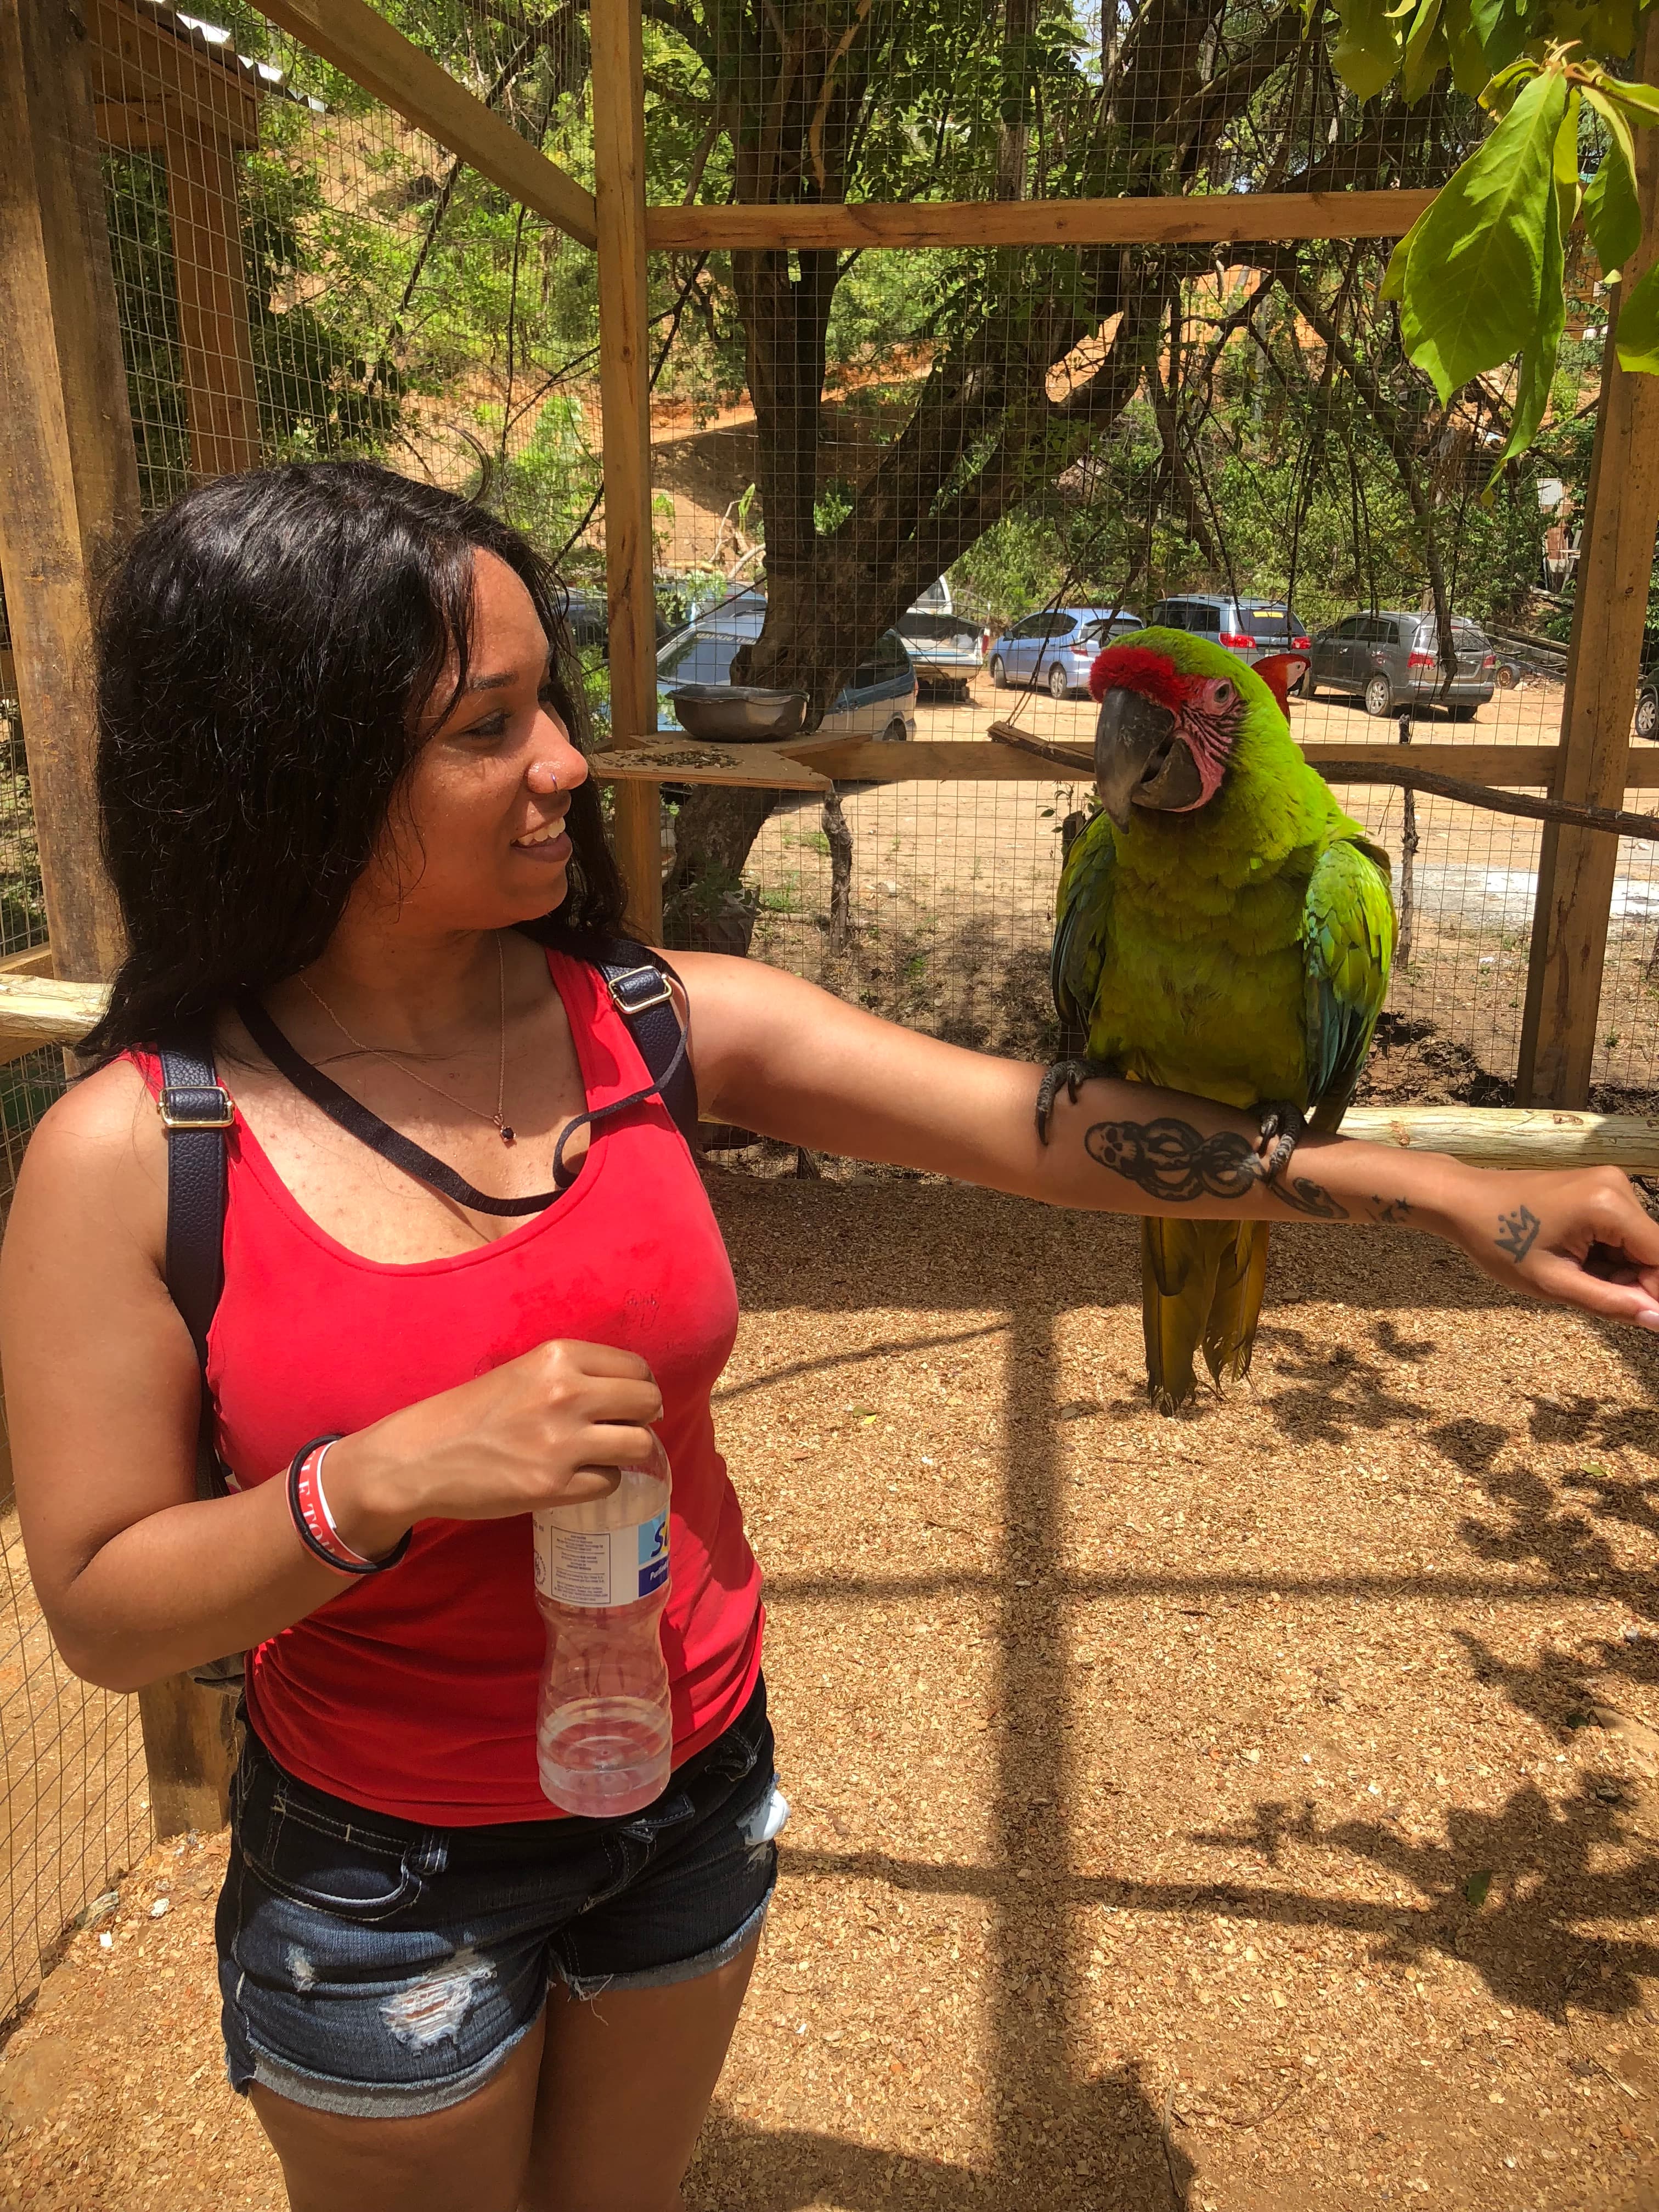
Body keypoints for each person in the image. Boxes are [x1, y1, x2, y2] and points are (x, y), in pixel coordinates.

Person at [4, 462, 1656, 2212]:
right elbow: (105, 1609)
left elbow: (1037, 1129)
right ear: (298, 764)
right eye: (490, 728)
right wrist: (384, 1479)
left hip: (693, 1794)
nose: (568, 761)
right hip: (378, 1880)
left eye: (552, 704)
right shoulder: (137, 1151)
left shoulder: (661, 1019)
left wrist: (1448, 1194)